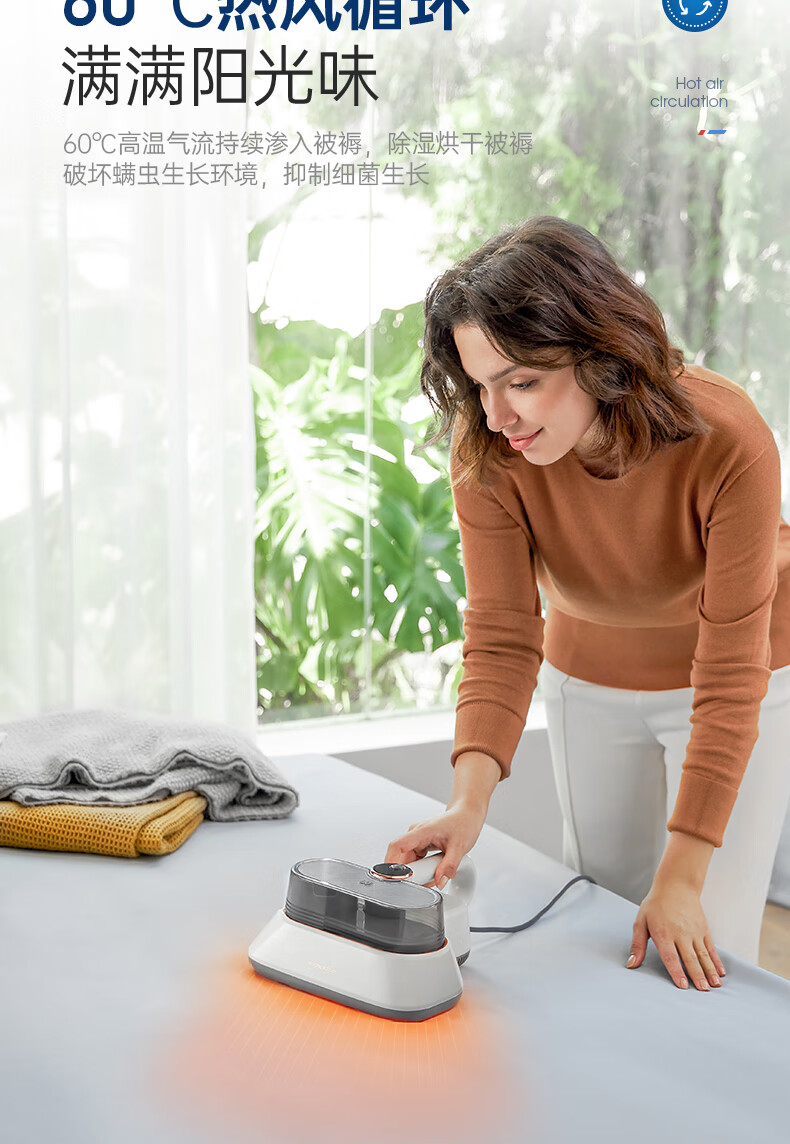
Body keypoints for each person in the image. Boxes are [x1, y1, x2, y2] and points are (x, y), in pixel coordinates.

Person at [385, 216, 790, 991]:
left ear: (599, 355)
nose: (497, 415)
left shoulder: (728, 438)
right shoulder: (488, 450)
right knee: (604, 921)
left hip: (742, 678)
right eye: (480, 385)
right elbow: (503, 634)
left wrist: (684, 873)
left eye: (521, 382)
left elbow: (733, 667)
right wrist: (467, 805)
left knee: (712, 939)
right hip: (589, 677)